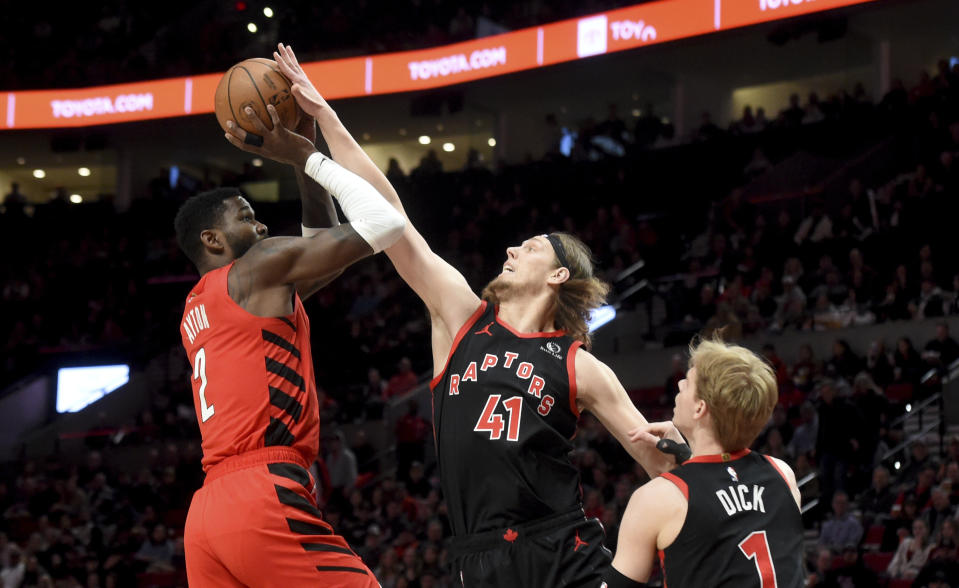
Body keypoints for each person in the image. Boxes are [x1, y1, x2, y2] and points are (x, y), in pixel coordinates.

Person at [270, 42, 674, 587]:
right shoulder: (462, 317)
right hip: (476, 558)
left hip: (560, 550)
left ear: (559, 276)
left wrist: (689, 453)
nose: (512, 249)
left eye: (531, 248)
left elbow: (656, 464)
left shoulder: (580, 365)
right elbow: (393, 214)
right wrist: (325, 116)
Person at [174, 98, 406, 586]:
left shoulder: (202, 303)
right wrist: (304, 156)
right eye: (247, 218)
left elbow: (327, 252)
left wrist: (309, 149)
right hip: (261, 491)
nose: (261, 226)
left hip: (208, 512)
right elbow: (385, 223)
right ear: (214, 240)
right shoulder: (256, 269)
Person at [604, 337, 805, 587]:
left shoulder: (657, 498)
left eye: (688, 381)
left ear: (700, 408)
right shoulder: (782, 475)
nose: (679, 383)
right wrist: (689, 457)